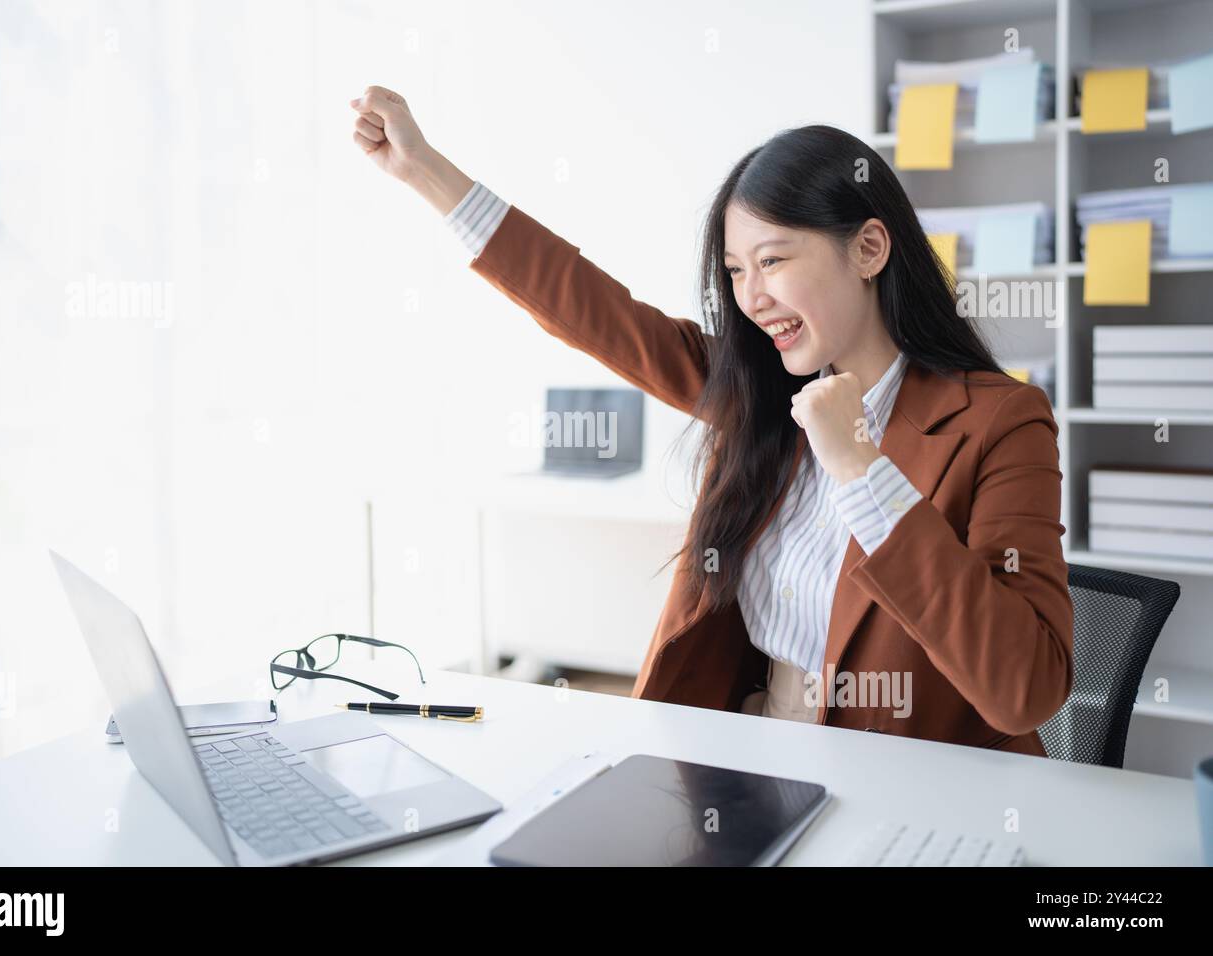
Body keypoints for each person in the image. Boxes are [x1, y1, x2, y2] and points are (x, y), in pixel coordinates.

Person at [349, 85, 1073, 757]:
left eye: (773, 260)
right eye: (734, 271)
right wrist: (426, 172)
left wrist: (862, 468)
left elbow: (1026, 688)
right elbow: (592, 309)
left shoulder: (1002, 421)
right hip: (750, 760)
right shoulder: (757, 392)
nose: (751, 298)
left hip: (910, 788)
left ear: (870, 249)